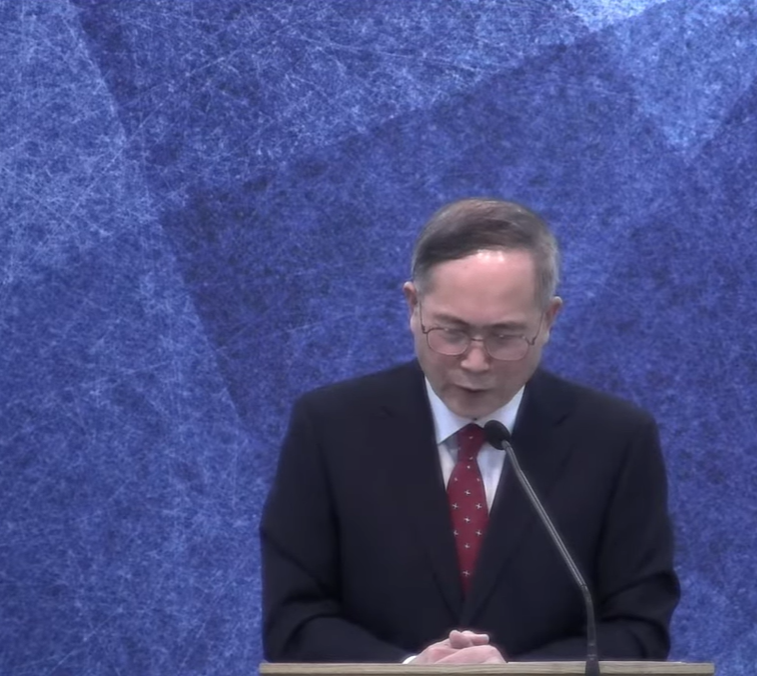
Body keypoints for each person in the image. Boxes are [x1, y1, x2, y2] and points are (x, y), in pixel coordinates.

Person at [260, 198, 679, 664]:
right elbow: (294, 622)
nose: (476, 363)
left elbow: (638, 629)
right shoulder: (330, 428)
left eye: (504, 336)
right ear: (413, 306)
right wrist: (410, 673)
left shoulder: (615, 441)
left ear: (548, 320)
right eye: (452, 332)